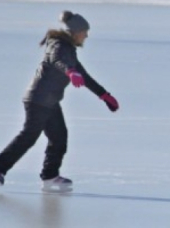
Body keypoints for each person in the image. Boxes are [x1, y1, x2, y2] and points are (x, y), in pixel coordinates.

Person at [0, 11, 119, 193]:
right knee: (28, 137)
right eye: (84, 32)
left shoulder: (69, 50)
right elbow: (56, 60)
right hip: (38, 100)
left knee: (59, 137)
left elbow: (84, 77)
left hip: (49, 101)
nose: (86, 35)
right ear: (74, 32)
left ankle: (50, 177)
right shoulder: (58, 45)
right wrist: (69, 72)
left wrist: (104, 95)